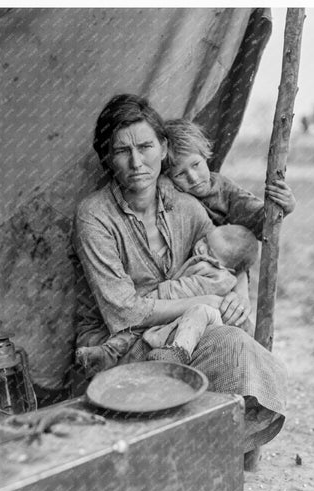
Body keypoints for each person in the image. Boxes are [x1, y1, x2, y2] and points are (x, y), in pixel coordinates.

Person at [72, 93, 287, 455]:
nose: (137, 161)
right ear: (108, 158)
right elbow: (122, 312)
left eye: (145, 146)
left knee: (236, 335)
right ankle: (189, 449)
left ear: (163, 148)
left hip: (179, 336)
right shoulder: (94, 215)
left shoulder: (186, 206)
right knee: (230, 343)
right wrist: (206, 300)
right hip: (119, 343)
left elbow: (224, 256)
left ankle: (204, 450)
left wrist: (237, 293)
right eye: (123, 151)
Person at [76, 223, 258, 373]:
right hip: (179, 315)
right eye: (205, 240)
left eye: (209, 251)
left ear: (228, 268)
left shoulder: (217, 277)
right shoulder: (209, 261)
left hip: (190, 320)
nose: (200, 247)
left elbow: (185, 289)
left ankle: (177, 353)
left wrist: (156, 297)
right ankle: (107, 353)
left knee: (143, 327)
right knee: (135, 330)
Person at [163, 118, 296, 319]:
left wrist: (284, 207)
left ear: (205, 156)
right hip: (183, 272)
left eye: (196, 165)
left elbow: (260, 220)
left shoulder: (224, 190)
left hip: (222, 270)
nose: (193, 177)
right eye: (180, 173)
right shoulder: (170, 193)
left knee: (231, 316)